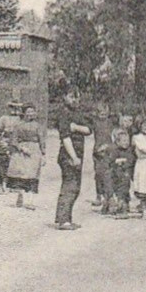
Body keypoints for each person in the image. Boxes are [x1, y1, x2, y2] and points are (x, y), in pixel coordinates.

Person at [52, 88, 93, 229]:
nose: (75, 100)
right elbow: (65, 137)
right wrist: (74, 156)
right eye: (71, 97)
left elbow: (89, 129)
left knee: (75, 187)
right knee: (70, 186)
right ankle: (64, 220)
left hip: (78, 153)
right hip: (69, 154)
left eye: (77, 97)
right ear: (64, 97)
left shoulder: (77, 113)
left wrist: (76, 127)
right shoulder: (63, 113)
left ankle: (65, 218)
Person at [6, 103, 46, 210]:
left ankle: (30, 201)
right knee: (21, 174)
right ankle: (20, 195)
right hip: (21, 151)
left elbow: (42, 141)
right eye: (28, 112)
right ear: (24, 113)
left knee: (33, 175)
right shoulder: (18, 125)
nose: (30, 114)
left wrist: (43, 154)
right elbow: (13, 140)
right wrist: (21, 148)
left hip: (34, 151)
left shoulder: (38, 126)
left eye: (32, 112)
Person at [107, 114, 136, 217]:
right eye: (123, 141)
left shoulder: (129, 151)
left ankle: (125, 207)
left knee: (125, 190)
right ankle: (119, 209)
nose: (126, 143)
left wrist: (126, 162)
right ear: (117, 142)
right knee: (118, 191)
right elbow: (111, 161)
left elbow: (131, 160)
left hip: (126, 174)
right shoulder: (115, 151)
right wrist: (117, 161)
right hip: (117, 174)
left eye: (127, 141)